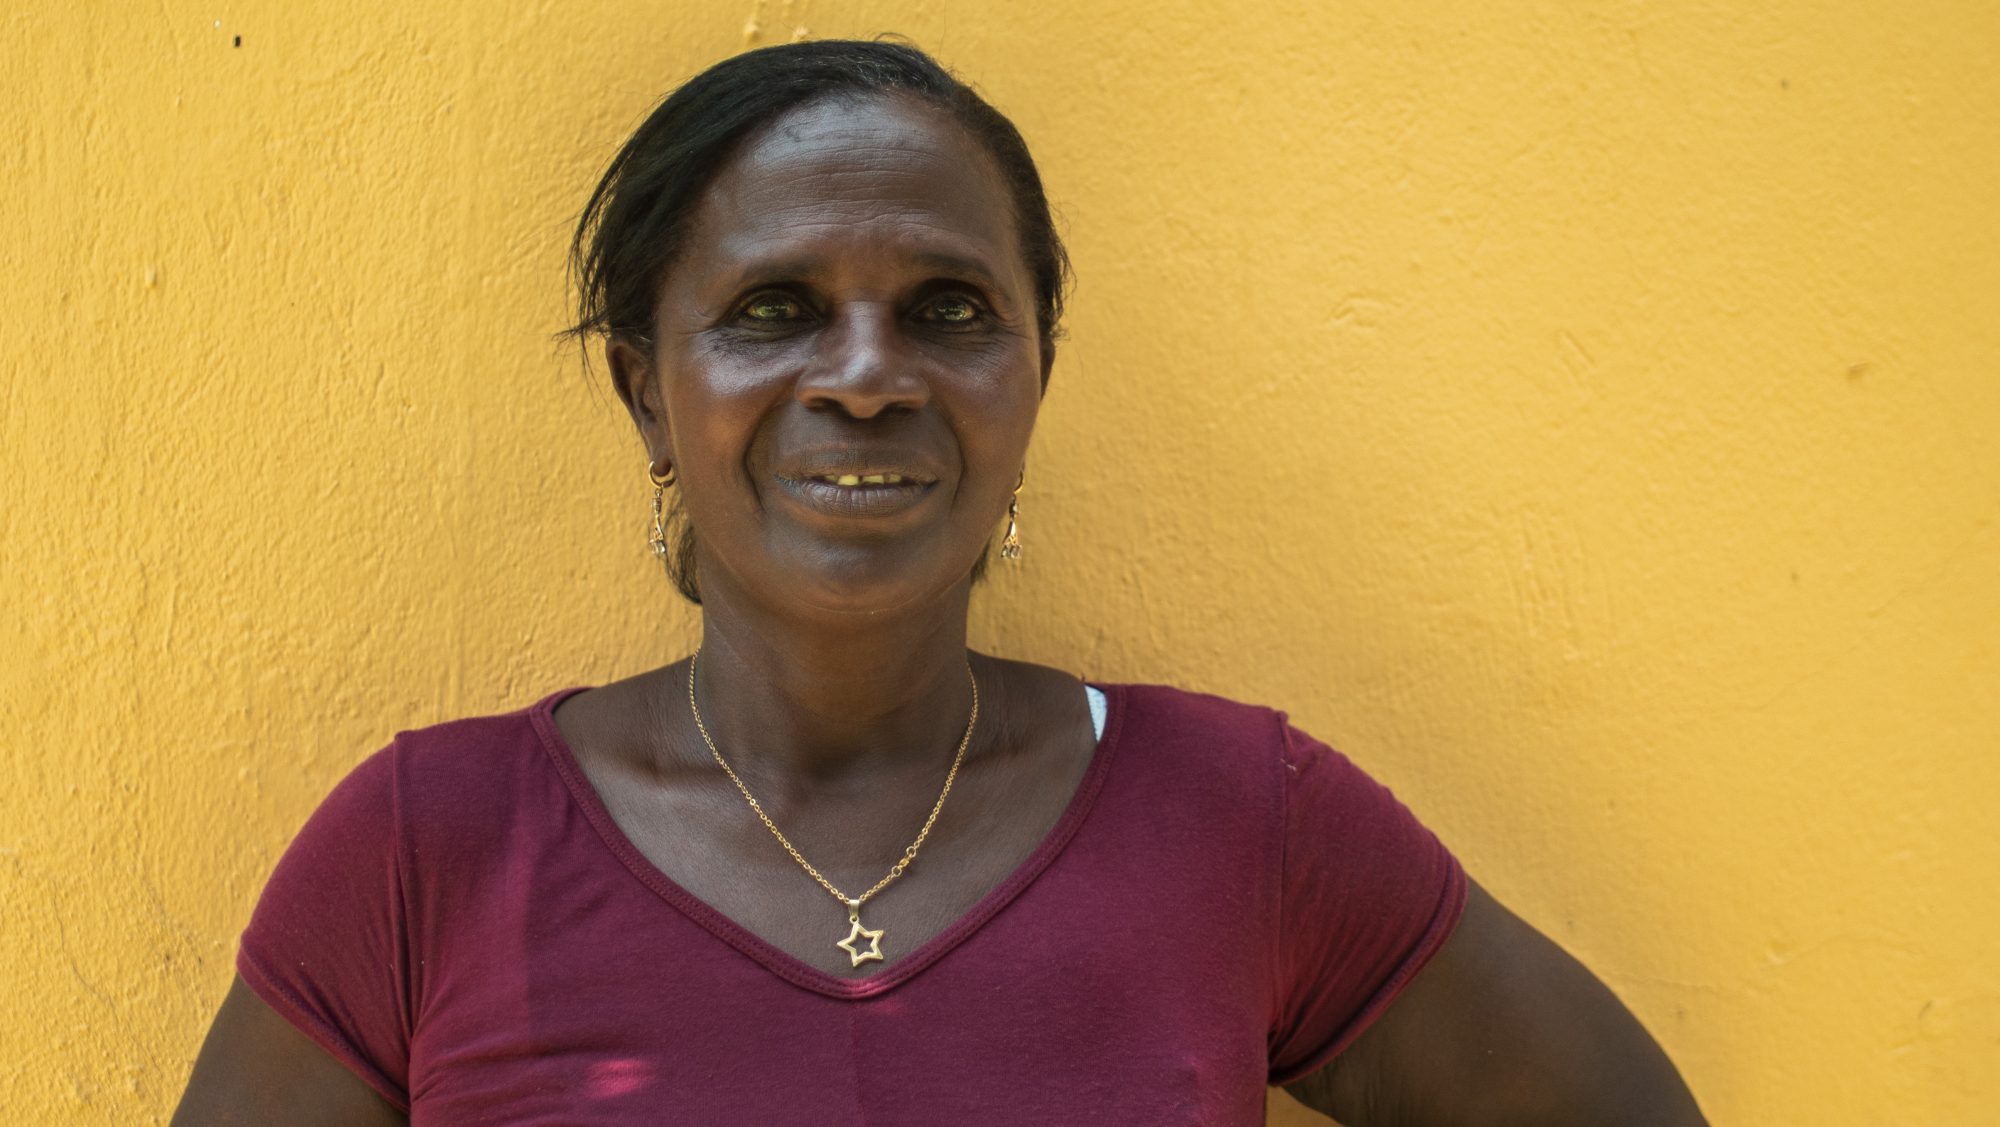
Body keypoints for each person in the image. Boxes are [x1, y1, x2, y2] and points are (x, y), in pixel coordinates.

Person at [173, 40, 1708, 1126]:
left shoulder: (1240, 819)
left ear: (1033, 376)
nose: (866, 378)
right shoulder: (430, 853)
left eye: (950, 310)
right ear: (648, 394)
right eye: (775, 309)